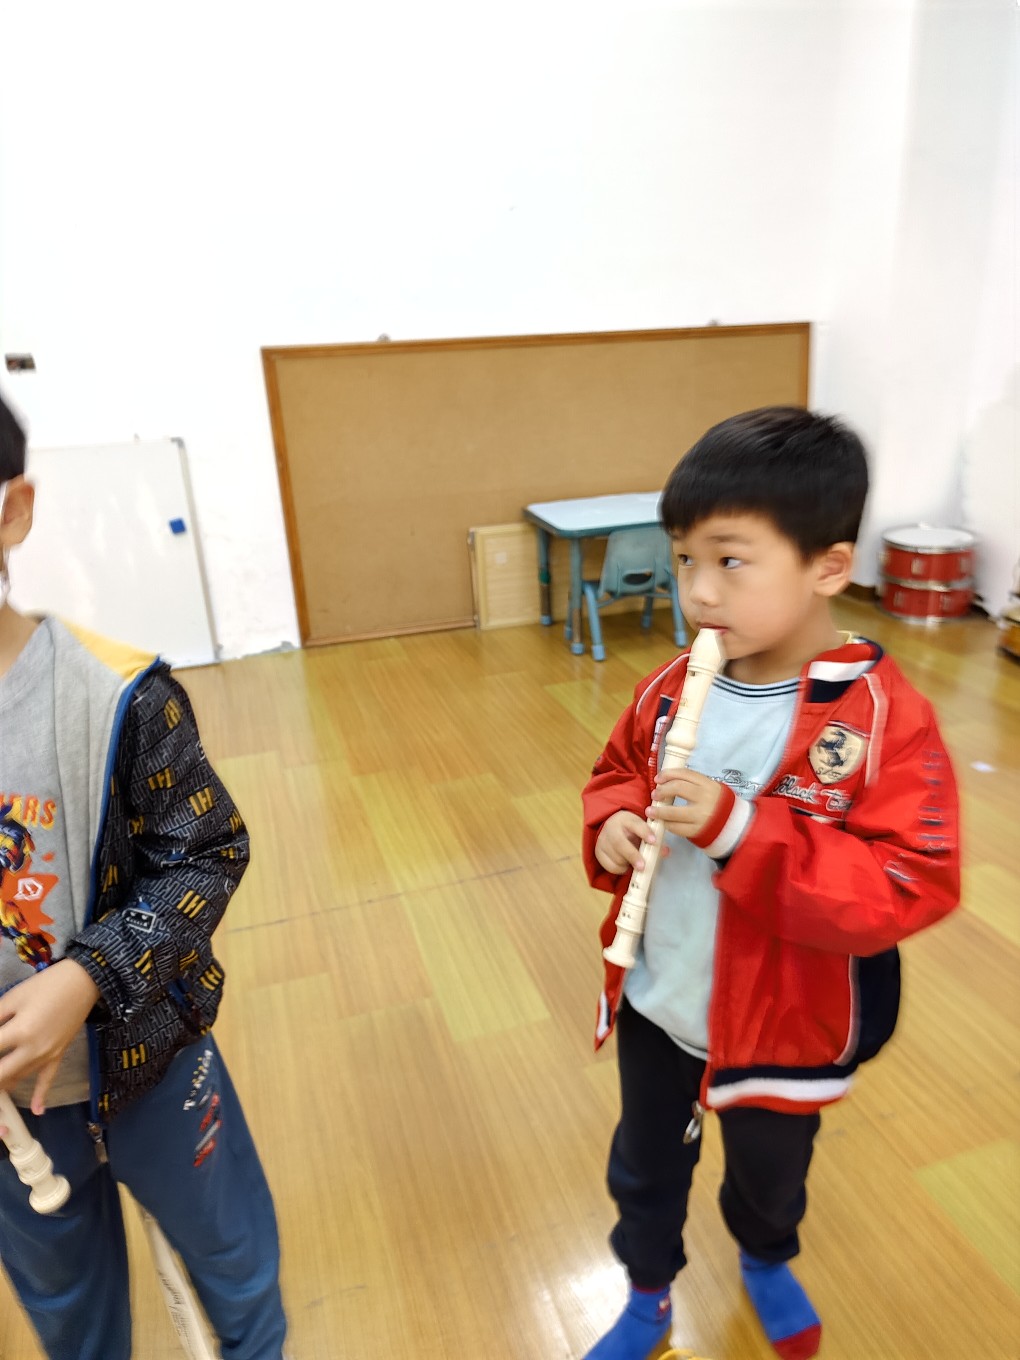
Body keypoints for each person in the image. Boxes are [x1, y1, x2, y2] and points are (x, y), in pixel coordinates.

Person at [580, 407, 960, 1360]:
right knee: (644, 1167)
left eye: (731, 561)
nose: (698, 592)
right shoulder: (672, 686)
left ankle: (765, 1258)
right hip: (661, 997)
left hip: (785, 1022)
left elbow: (908, 883)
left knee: (770, 1175)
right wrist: (613, 823)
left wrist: (742, 830)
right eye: (684, 560)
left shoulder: (883, 719)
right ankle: (648, 1295)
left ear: (828, 567)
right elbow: (617, 771)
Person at [0, 389, 288, 1360]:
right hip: (13, 1121)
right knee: (66, 1309)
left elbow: (206, 851)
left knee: (235, 1265)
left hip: (152, 1065)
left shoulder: (121, 692)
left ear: (12, 509)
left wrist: (89, 975)